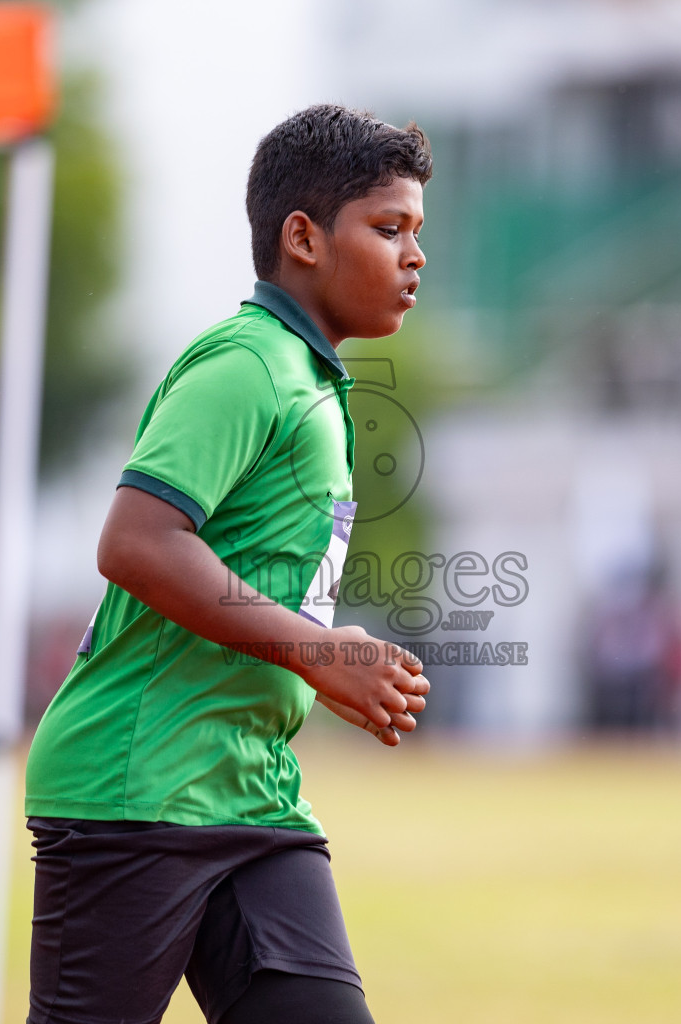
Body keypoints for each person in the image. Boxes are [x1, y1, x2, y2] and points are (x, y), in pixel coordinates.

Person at [23, 105, 434, 1024]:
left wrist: (311, 661)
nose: (414, 256)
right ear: (303, 239)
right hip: (135, 793)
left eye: (417, 233)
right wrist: (318, 653)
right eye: (388, 229)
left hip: (251, 792)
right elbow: (135, 542)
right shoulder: (249, 365)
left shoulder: (314, 380)